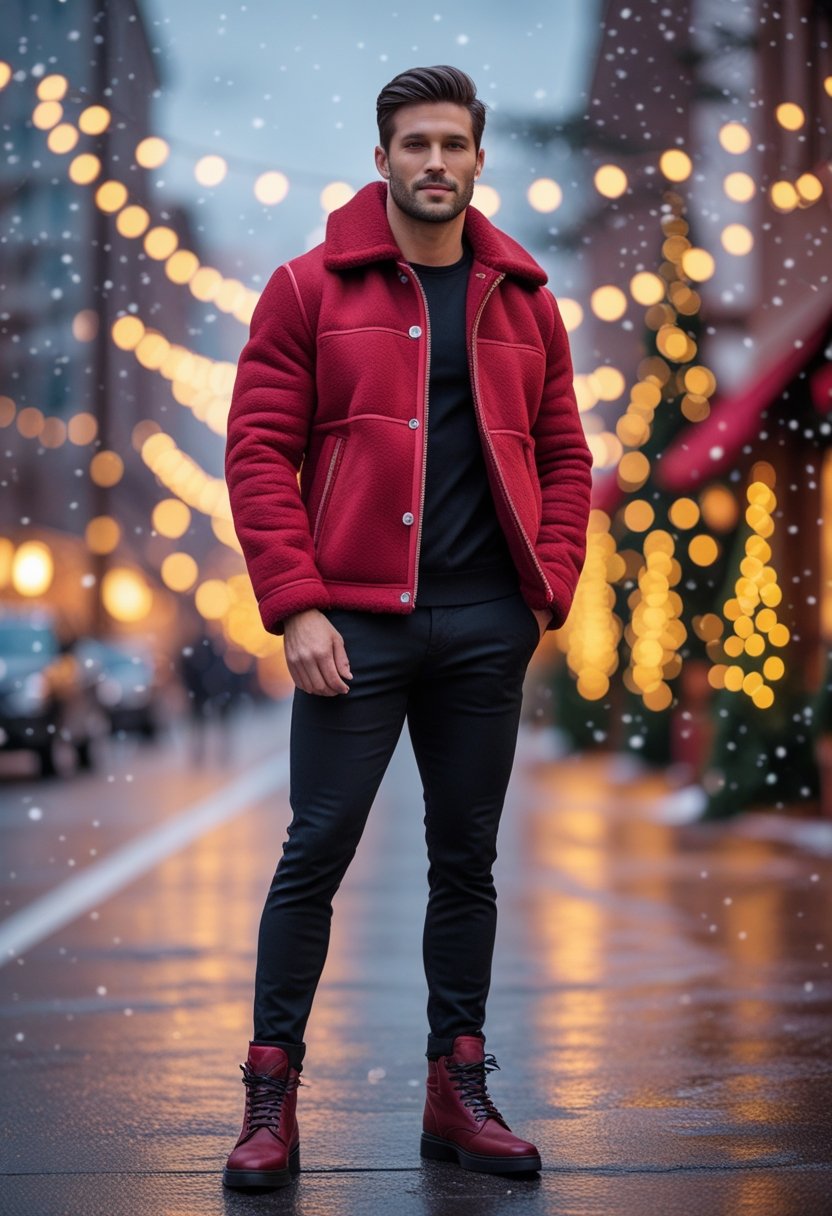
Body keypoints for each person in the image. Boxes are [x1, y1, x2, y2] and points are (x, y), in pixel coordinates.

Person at [222, 65, 592, 1188]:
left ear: (479, 159)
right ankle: (269, 1097)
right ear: (380, 158)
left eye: (453, 144)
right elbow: (256, 456)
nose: (435, 162)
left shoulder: (523, 300)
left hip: (487, 621)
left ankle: (457, 1085)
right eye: (414, 145)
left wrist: (546, 590)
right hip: (355, 627)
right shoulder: (306, 290)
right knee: (315, 851)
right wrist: (297, 605)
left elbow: (567, 456)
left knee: (465, 860)